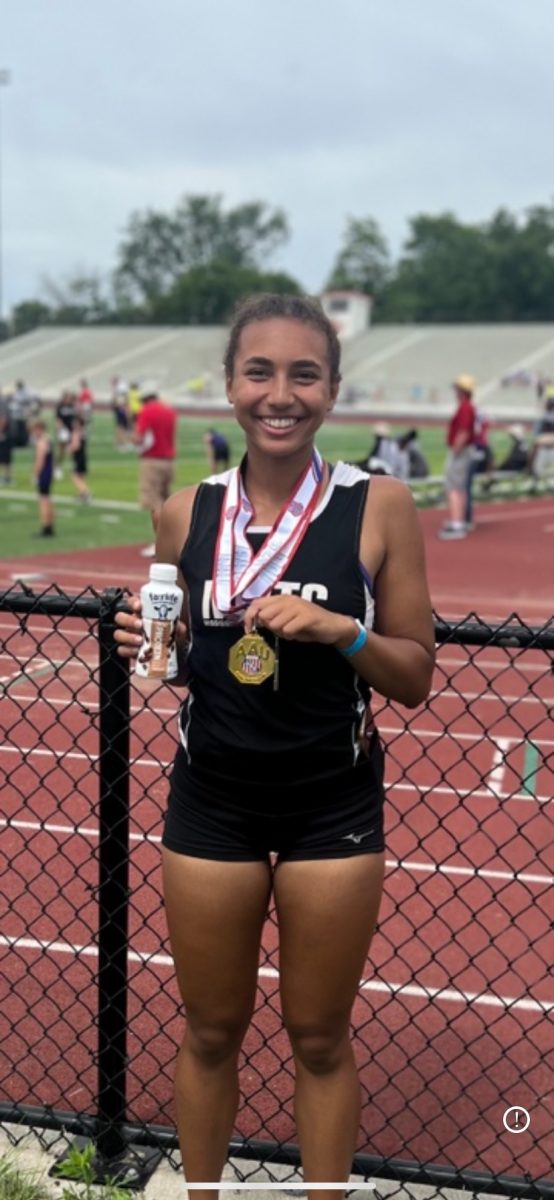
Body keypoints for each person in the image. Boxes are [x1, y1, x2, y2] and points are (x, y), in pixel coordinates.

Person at [114, 294, 435, 1198]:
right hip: (210, 796)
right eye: (260, 372)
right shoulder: (184, 514)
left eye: (304, 374)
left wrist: (344, 632)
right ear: (229, 388)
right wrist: (143, 638)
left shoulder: (381, 506)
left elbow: (414, 676)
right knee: (211, 1031)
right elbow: (175, 664)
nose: (280, 393)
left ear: (332, 391)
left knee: (320, 1037)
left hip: (331, 802)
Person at [133, 382, 177, 557]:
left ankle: (161, 543)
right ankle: (173, 541)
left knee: (155, 503)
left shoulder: (147, 411)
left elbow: (139, 436)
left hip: (152, 460)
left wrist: (134, 441)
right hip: (168, 460)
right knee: (167, 502)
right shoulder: (169, 411)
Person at [438, 374, 476, 540]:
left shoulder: (465, 407)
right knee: (459, 487)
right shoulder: (467, 406)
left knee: (453, 488)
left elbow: (464, 431)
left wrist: (456, 449)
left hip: (461, 451)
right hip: (464, 450)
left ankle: (457, 524)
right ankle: (459, 520)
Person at [464, 406, 493, 529]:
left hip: (476, 451)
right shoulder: (483, 425)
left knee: (466, 485)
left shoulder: (477, 426)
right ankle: (466, 517)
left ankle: (467, 518)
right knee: (466, 486)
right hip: (482, 451)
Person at [29, 418, 55, 537]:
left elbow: (40, 460)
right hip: (49, 472)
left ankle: (45, 527)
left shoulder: (41, 442)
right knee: (48, 499)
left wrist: (35, 474)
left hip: (44, 473)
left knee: (43, 500)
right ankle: (50, 526)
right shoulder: (48, 439)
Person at [55, 390, 77, 479]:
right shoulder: (60, 406)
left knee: (73, 449)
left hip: (71, 430)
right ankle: (58, 467)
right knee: (61, 450)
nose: (68, 399)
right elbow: (58, 419)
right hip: (64, 430)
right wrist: (59, 429)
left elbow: (75, 418)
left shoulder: (72, 406)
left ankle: (74, 466)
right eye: (67, 397)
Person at [69, 414, 91, 503]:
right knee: (81, 477)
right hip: (84, 456)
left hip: (78, 457)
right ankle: (81, 495)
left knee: (74, 476)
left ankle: (85, 492)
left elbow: (76, 446)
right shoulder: (83, 432)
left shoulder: (76, 433)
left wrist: (69, 448)